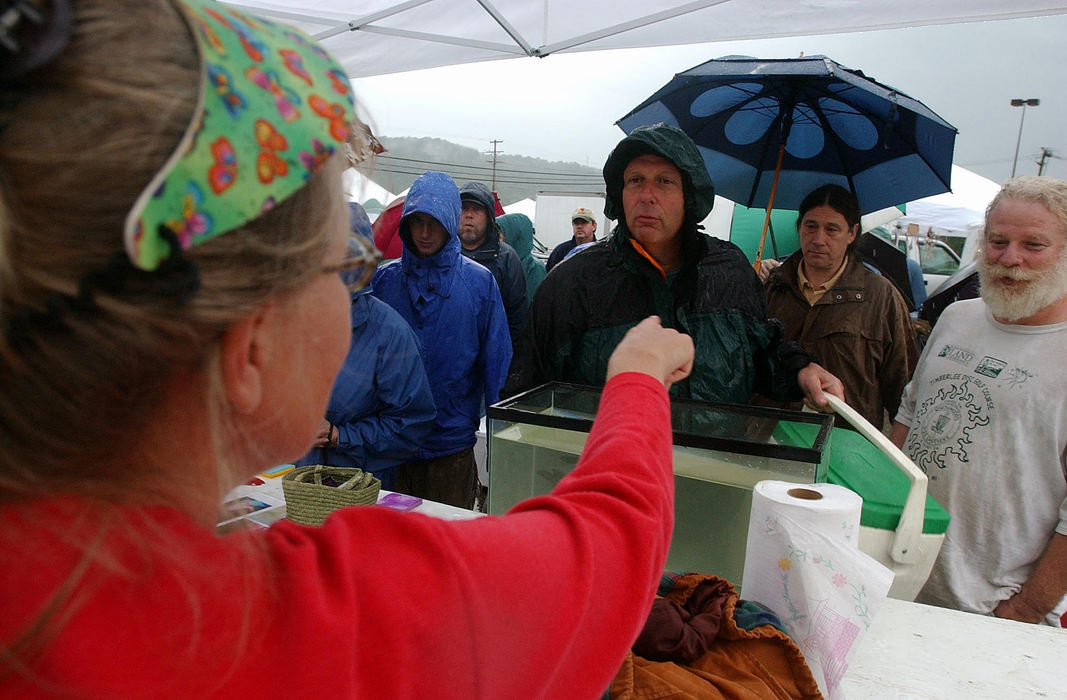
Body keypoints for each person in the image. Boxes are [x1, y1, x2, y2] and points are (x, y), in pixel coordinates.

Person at [0, 1, 699, 696]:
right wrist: (637, 378)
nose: (366, 289)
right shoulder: (338, 618)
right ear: (249, 348)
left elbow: (496, 356)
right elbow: (606, 546)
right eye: (344, 269)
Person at [511, 123, 842, 409]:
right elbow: (531, 393)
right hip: (615, 476)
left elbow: (762, 354)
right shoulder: (572, 283)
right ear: (619, 194)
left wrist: (800, 370)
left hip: (711, 472)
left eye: (665, 181)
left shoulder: (730, 272)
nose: (647, 195)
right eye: (635, 180)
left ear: (690, 195)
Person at [889, 176, 1067, 627]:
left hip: (995, 610)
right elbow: (910, 416)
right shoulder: (956, 316)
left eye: (1034, 244)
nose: (1010, 258)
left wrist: (1026, 608)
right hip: (902, 577)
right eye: (998, 241)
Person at [372, 172, 512, 509]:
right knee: (387, 549)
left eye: (433, 222)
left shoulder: (479, 284)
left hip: (450, 450)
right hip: (389, 448)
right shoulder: (384, 281)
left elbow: (496, 367)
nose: (423, 233)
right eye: (416, 221)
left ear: (450, 220)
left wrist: (499, 447)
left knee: (447, 549)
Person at [763, 184, 918, 429]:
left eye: (831, 229)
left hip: (845, 444)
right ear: (799, 227)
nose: (818, 239)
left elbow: (905, 391)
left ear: (852, 233)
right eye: (810, 226)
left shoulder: (880, 297)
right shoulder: (773, 286)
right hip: (771, 441)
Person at [293, 281, 437, 491]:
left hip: (357, 487)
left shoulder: (390, 334)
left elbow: (411, 424)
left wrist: (337, 435)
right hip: (289, 482)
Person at [457, 181, 529, 351]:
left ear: (489, 216)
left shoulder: (506, 258)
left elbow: (517, 318)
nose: (469, 215)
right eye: (464, 208)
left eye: (476, 209)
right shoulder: (444, 254)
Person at [497, 212, 546, 304]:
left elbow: (534, 305)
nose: (497, 240)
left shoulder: (534, 267)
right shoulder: (502, 263)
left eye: (500, 235)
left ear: (515, 235)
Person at [546, 206, 598, 272]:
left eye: (584, 222)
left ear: (594, 226)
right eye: (576, 223)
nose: (579, 226)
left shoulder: (600, 251)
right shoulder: (560, 251)